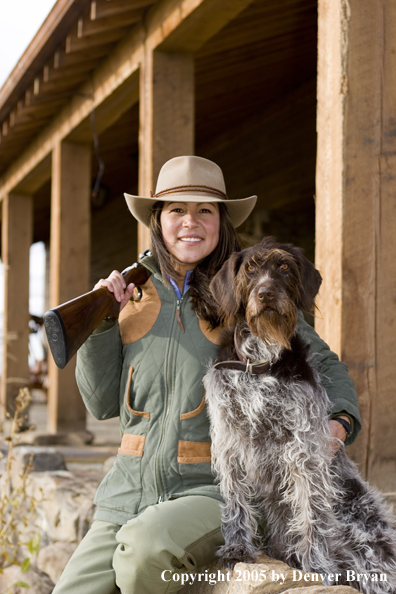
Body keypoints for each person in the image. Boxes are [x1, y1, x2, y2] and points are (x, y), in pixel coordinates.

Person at [53, 156, 361, 594]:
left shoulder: (247, 285)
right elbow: (101, 404)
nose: (190, 222)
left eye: (205, 210)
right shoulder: (130, 296)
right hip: (125, 495)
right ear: (158, 220)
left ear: (221, 221)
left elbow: (325, 364)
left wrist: (339, 421)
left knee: (145, 553)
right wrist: (103, 324)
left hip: (215, 492)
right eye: (177, 210)